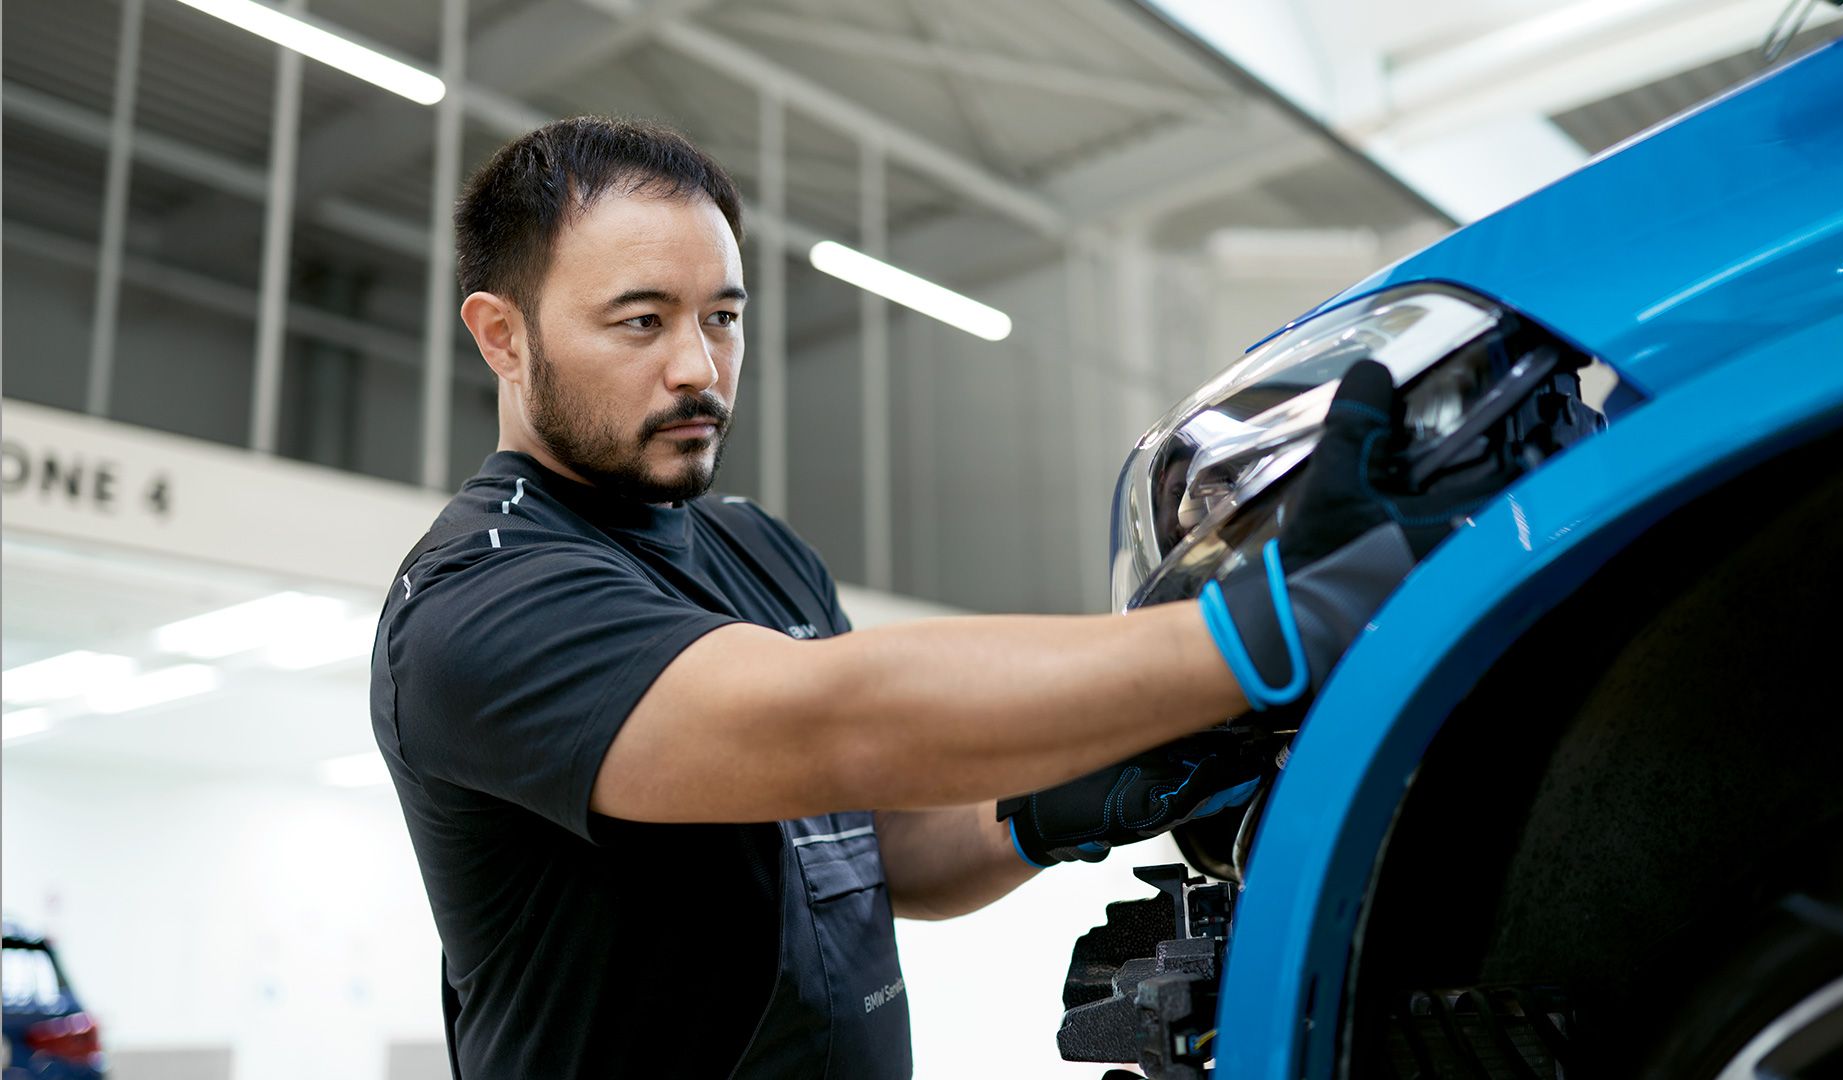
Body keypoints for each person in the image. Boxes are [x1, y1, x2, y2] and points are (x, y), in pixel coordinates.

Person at [370, 116, 1460, 1079]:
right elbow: (830, 723)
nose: (699, 369)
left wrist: (1078, 795)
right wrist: (1252, 633)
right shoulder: (474, 602)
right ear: (502, 336)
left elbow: (879, 846)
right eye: (641, 322)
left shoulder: (757, 552)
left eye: (724, 318)